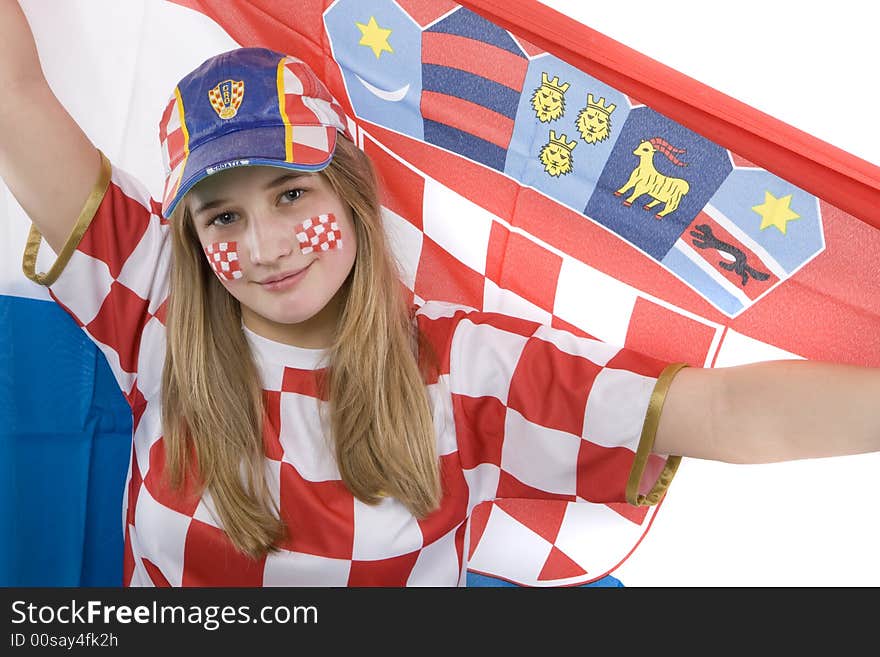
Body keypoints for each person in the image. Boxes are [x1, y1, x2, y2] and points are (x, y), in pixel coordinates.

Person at [2, 0, 879, 587]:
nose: (262, 247)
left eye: (291, 194)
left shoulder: (467, 366)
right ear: (190, 234)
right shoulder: (152, 299)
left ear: (348, 191)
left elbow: (721, 413)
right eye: (222, 217)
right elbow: (14, 94)